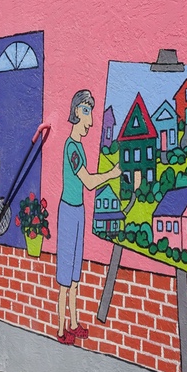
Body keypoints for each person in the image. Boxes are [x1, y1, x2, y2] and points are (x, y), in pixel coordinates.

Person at [56, 90, 121, 345]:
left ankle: (73, 323)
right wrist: (112, 174)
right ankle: (61, 330)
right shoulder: (71, 147)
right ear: (76, 112)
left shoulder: (80, 147)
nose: (90, 121)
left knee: (74, 277)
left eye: (90, 113)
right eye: (86, 112)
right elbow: (89, 182)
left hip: (79, 211)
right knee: (64, 279)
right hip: (68, 212)